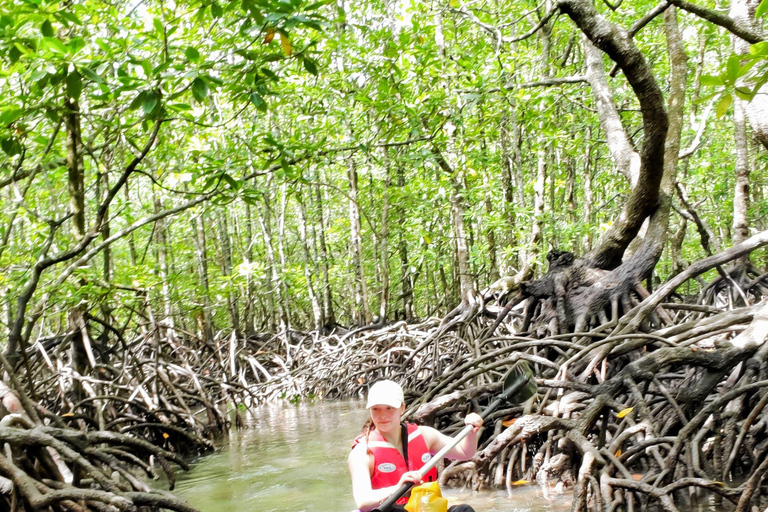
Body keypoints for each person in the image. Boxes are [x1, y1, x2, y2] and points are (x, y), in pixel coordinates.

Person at [349, 380, 482, 512]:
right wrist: (397, 487)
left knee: (464, 510)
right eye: (376, 409)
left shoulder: (424, 435)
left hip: (424, 508)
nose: (382, 415)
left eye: (389, 408)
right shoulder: (362, 452)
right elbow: (363, 502)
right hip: (390, 510)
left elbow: (465, 453)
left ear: (402, 408)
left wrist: (471, 431)